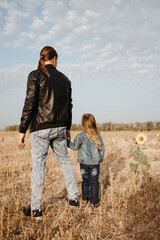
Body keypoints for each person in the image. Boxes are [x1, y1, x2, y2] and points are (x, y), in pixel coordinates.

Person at [18, 46, 79, 219]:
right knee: (66, 163)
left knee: (38, 166)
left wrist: (22, 130)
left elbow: (29, 103)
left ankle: (36, 210)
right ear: (54, 58)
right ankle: (74, 200)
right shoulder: (65, 79)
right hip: (60, 127)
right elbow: (69, 106)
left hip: (40, 128)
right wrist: (67, 128)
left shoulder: (35, 75)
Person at [67, 113, 105, 207]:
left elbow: (74, 147)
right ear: (93, 123)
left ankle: (85, 199)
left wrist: (67, 141)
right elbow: (102, 149)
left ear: (83, 124)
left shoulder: (80, 136)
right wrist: (100, 159)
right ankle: (94, 201)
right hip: (95, 163)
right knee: (94, 181)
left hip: (84, 163)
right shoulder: (97, 136)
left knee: (85, 181)